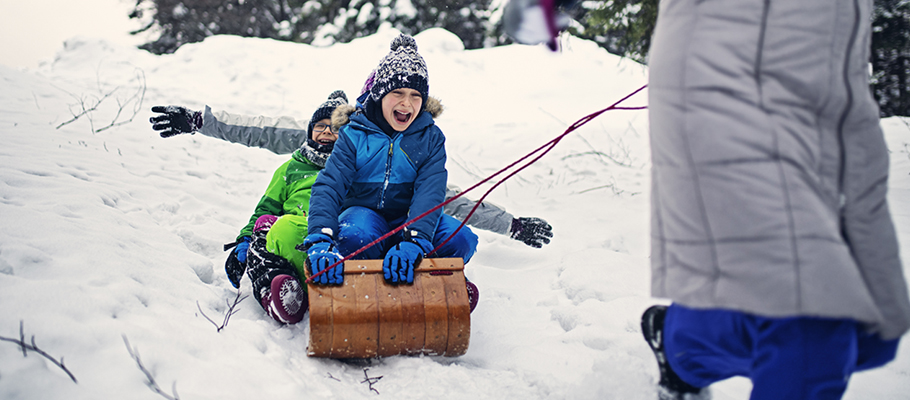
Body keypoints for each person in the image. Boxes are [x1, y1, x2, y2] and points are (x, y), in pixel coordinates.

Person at [504, 1, 910, 399]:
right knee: (811, 322)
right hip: (728, 79)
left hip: (834, 83)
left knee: (875, 330)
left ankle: (683, 342)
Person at [149, 97, 554, 249]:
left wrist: (512, 224)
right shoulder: (320, 138)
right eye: (323, 128)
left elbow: (448, 194)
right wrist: (202, 121)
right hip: (338, 232)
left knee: (441, 230)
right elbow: (259, 130)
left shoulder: (382, 148)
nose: (330, 135)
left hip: (380, 227)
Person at [302, 33, 477, 290]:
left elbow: (430, 192)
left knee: (461, 238)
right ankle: (364, 288)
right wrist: (320, 237)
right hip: (364, 215)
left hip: (407, 219)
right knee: (355, 236)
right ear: (381, 94)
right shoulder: (354, 134)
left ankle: (433, 286)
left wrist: (415, 239)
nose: (407, 103)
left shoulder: (430, 138)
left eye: (416, 95)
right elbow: (330, 185)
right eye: (398, 92)